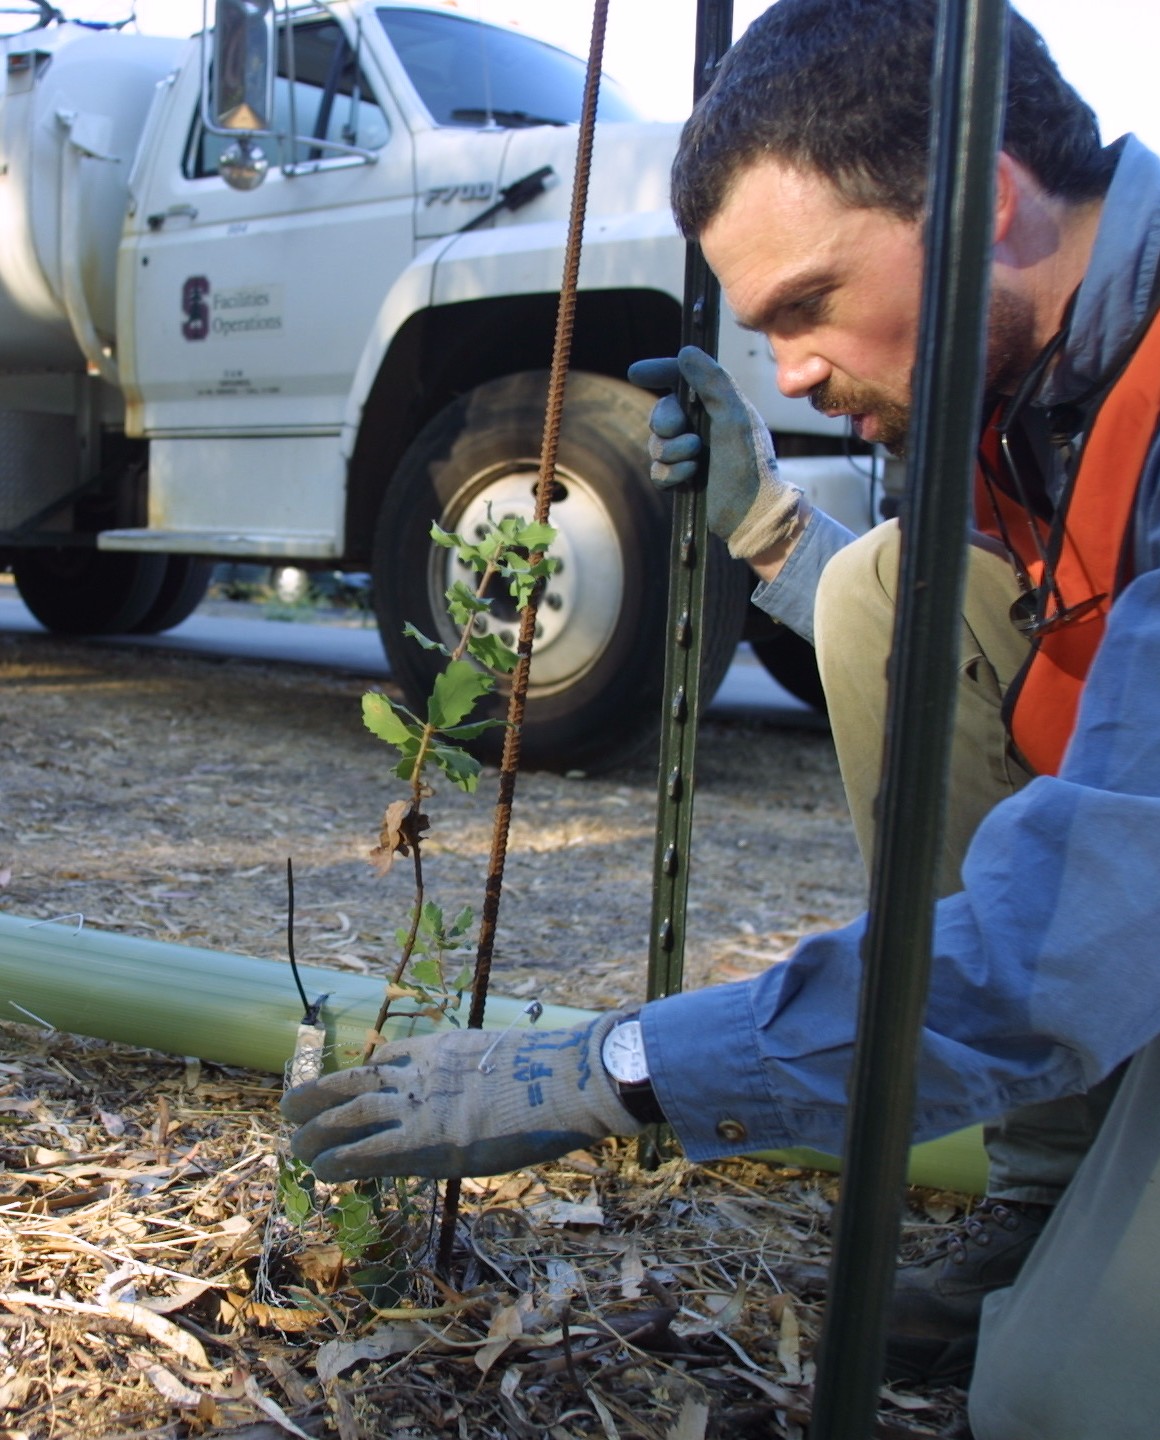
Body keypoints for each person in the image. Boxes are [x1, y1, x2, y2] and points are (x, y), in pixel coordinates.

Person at [282, 2, 1160, 1433]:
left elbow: (1071, 945)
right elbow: (1026, 656)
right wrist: (764, 523)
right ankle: (1050, 1200)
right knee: (890, 588)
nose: (796, 369)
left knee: (1067, 1399)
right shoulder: (1040, 382)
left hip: (1122, 936)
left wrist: (603, 1070)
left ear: (990, 202)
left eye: (809, 305)